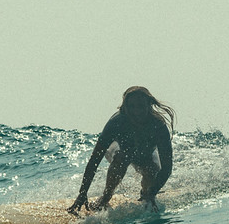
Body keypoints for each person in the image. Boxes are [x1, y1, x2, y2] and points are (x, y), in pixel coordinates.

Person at [68, 86, 175, 214]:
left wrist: (153, 192)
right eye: (131, 106)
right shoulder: (116, 122)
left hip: (146, 155)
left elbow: (167, 168)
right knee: (122, 157)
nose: (136, 111)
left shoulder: (158, 126)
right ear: (125, 107)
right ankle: (106, 197)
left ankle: (146, 194)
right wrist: (82, 193)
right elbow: (94, 160)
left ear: (149, 105)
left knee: (152, 171)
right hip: (118, 150)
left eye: (141, 106)